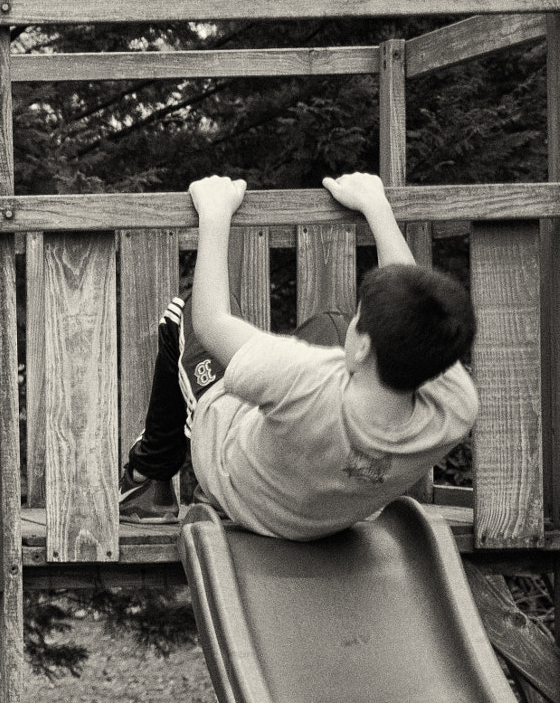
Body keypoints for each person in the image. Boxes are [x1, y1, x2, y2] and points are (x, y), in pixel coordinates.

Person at [119, 172, 477, 540]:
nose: (353, 321)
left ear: (364, 348)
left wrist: (215, 213)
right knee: (330, 325)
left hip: (235, 482)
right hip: (325, 515)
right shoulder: (456, 407)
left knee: (184, 310)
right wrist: (377, 207)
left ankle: (146, 478)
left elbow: (210, 324)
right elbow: (418, 307)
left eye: (359, 318)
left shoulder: (304, 381)